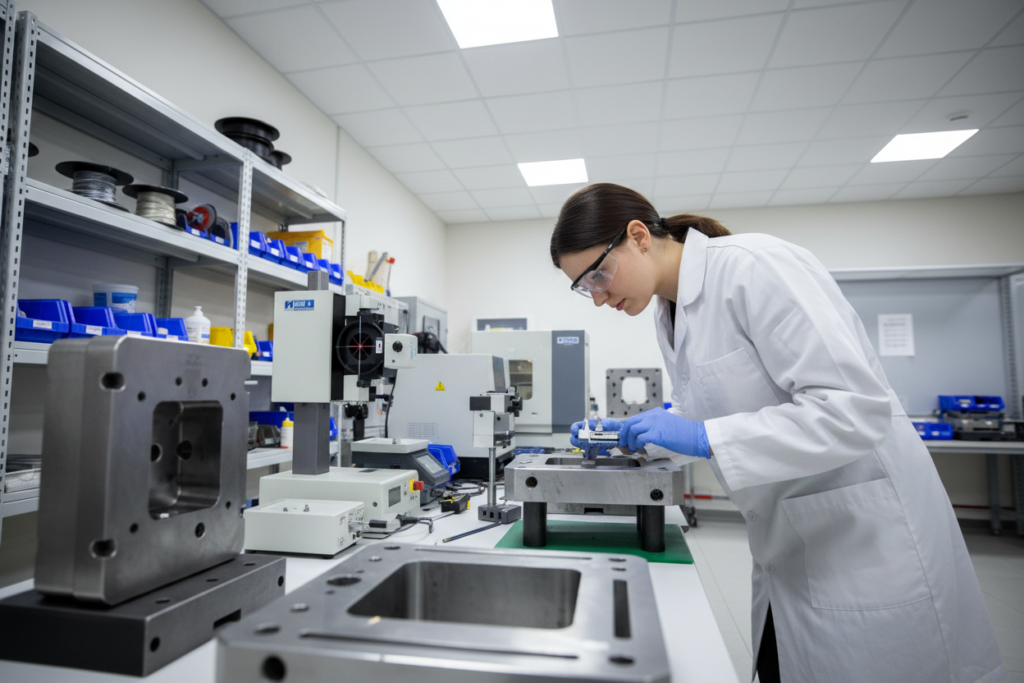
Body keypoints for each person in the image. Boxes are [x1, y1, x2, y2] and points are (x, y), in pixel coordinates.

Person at [553, 183, 1004, 683]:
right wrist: (634, 434)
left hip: (861, 539)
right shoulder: (669, 310)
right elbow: (699, 408)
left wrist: (705, 440)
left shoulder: (754, 267)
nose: (597, 297)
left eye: (598, 274)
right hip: (788, 544)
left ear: (638, 236)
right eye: (583, 287)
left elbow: (852, 409)